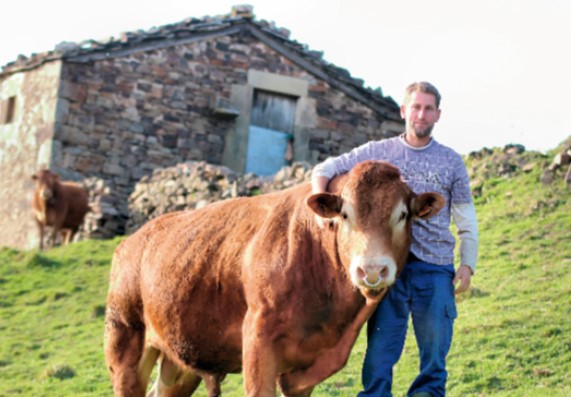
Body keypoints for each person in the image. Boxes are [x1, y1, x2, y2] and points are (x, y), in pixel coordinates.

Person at [311, 81, 478, 397]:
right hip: (390, 271)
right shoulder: (379, 150)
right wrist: (319, 205)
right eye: (416, 107)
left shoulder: (451, 161)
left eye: (428, 108)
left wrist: (467, 264)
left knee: (434, 357)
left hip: (435, 270)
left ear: (438, 115)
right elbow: (326, 167)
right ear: (404, 111)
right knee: (379, 357)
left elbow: (466, 219)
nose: (421, 114)